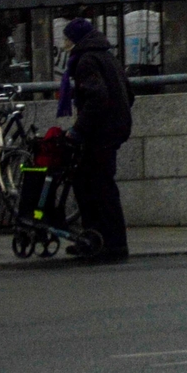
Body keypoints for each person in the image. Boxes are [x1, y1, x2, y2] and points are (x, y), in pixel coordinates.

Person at [57, 18, 133, 263]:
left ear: (76, 39)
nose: (64, 42)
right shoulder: (107, 56)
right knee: (101, 185)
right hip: (113, 129)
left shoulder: (87, 60)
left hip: (99, 133)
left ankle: (101, 242)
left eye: (67, 38)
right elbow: (128, 93)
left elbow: (96, 98)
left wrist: (77, 130)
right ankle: (107, 242)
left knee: (91, 186)